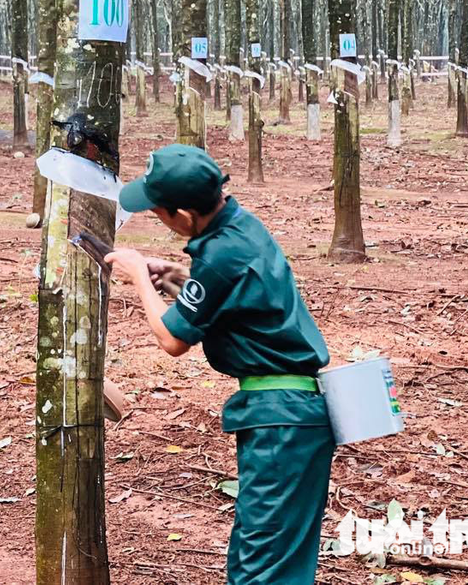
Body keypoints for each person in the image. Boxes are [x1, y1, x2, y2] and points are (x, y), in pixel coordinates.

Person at [105, 144, 334, 585]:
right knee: (281, 559)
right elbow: (235, 300)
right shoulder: (241, 226)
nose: (157, 218)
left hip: (280, 422)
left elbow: (173, 339)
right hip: (293, 416)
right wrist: (178, 282)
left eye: (158, 211)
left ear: (186, 215)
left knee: (259, 566)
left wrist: (137, 276)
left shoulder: (222, 255)